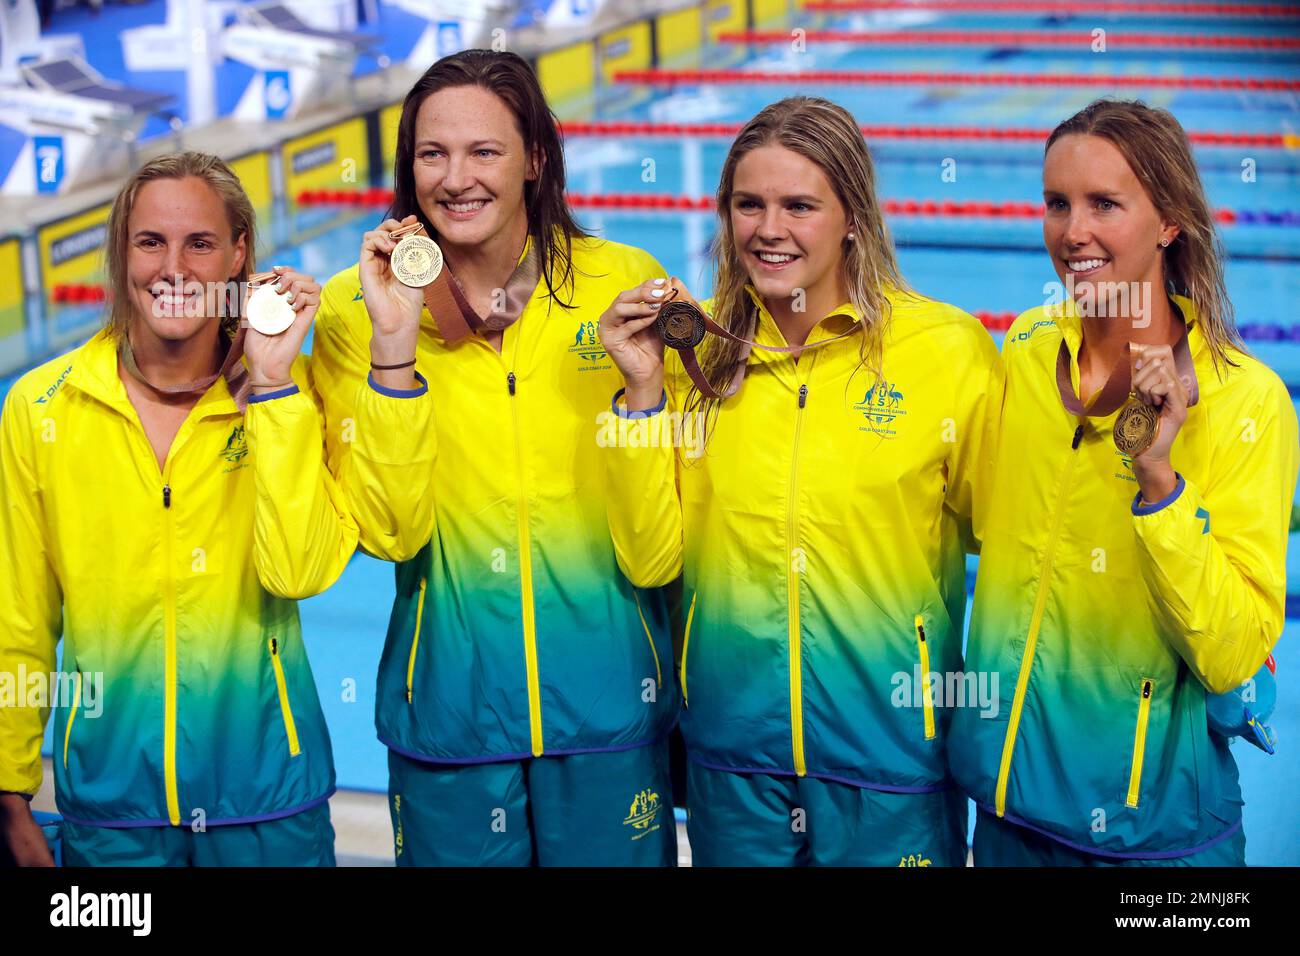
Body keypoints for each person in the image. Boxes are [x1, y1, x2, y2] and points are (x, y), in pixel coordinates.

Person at [598, 96, 1003, 866]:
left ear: (853, 214)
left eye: (799, 205)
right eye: (748, 204)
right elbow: (652, 560)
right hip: (734, 756)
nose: (769, 228)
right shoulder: (696, 359)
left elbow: (1016, 550)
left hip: (892, 756)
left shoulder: (947, 353)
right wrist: (643, 395)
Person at [310, 50, 678, 866]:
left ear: (535, 158)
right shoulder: (351, 309)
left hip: (608, 712)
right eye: (432, 153)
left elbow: (661, 544)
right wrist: (394, 348)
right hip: (449, 719)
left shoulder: (622, 284)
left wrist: (643, 398)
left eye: (485, 151)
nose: (455, 178)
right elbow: (391, 535)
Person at [949, 99, 1298, 866]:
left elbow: (1234, 649)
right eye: (1057, 204)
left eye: (1105, 203)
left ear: (1170, 219)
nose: (1073, 232)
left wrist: (1160, 481)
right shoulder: (1030, 351)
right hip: (1006, 810)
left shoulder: (1247, 402)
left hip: (1153, 834)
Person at [0, 151, 357, 866]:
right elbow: (21, 616)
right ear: (121, 255)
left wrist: (275, 385)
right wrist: (9, 797)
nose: (174, 267)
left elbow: (300, 572)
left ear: (239, 255)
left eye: (199, 243)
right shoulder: (44, 406)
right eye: (150, 241)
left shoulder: (293, 395)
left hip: (269, 803)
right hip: (113, 809)